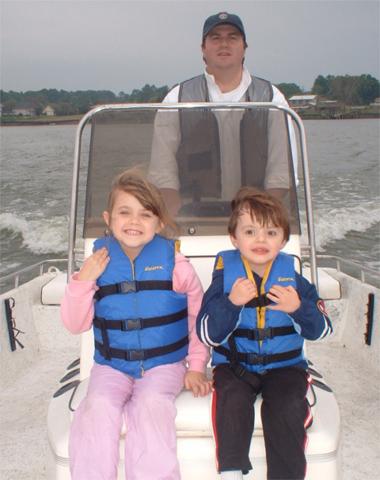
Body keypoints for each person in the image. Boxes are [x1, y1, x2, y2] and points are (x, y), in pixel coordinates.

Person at [61, 170, 211, 480]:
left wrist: (196, 366)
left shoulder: (177, 265)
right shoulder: (94, 266)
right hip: (110, 367)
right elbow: (75, 325)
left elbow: (197, 319)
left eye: (145, 214)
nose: (134, 221)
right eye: (124, 212)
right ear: (109, 218)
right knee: (97, 406)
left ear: (159, 223)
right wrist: (84, 280)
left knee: (151, 406)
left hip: (164, 365)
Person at [196, 187, 333, 480]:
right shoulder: (224, 281)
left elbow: (322, 329)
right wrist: (231, 303)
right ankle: (231, 473)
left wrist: (298, 308)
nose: (261, 240)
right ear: (234, 238)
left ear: (283, 240)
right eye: (250, 231)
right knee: (231, 399)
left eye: (271, 233)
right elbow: (206, 333)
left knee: (286, 407)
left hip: (285, 368)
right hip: (235, 366)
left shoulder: (294, 281)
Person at [148, 11, 298, 216]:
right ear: (203, 48)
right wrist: (176, 218)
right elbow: (162, 171)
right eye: (215, 37)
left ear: (244, 47)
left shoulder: (272, 98)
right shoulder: (176, 98)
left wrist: (261, 217)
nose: (224, 44)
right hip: (193, 216)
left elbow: (282, 171)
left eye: (232, 37)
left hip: (258, 214)